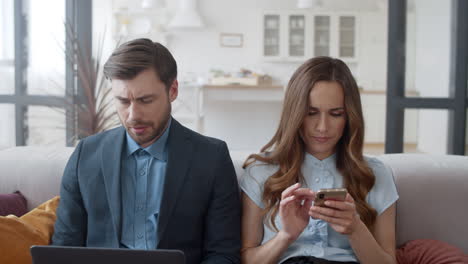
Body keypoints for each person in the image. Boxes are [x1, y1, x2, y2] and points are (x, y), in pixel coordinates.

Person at [52, 38, 241, 264]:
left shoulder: (212, 158)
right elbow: (64, 247)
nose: (133, 115)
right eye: (122, 101)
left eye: (145, 100)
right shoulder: (86, 155)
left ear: (172, 90)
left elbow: (223, 254)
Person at [240, 57, 398, 264]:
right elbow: (247, 260)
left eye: (336, 114)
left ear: (349, 117)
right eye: (311, 113)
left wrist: (355, 229)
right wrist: (286, 236)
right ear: (295, 114)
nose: (322, 127)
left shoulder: (375, 174)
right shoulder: (260, 171)